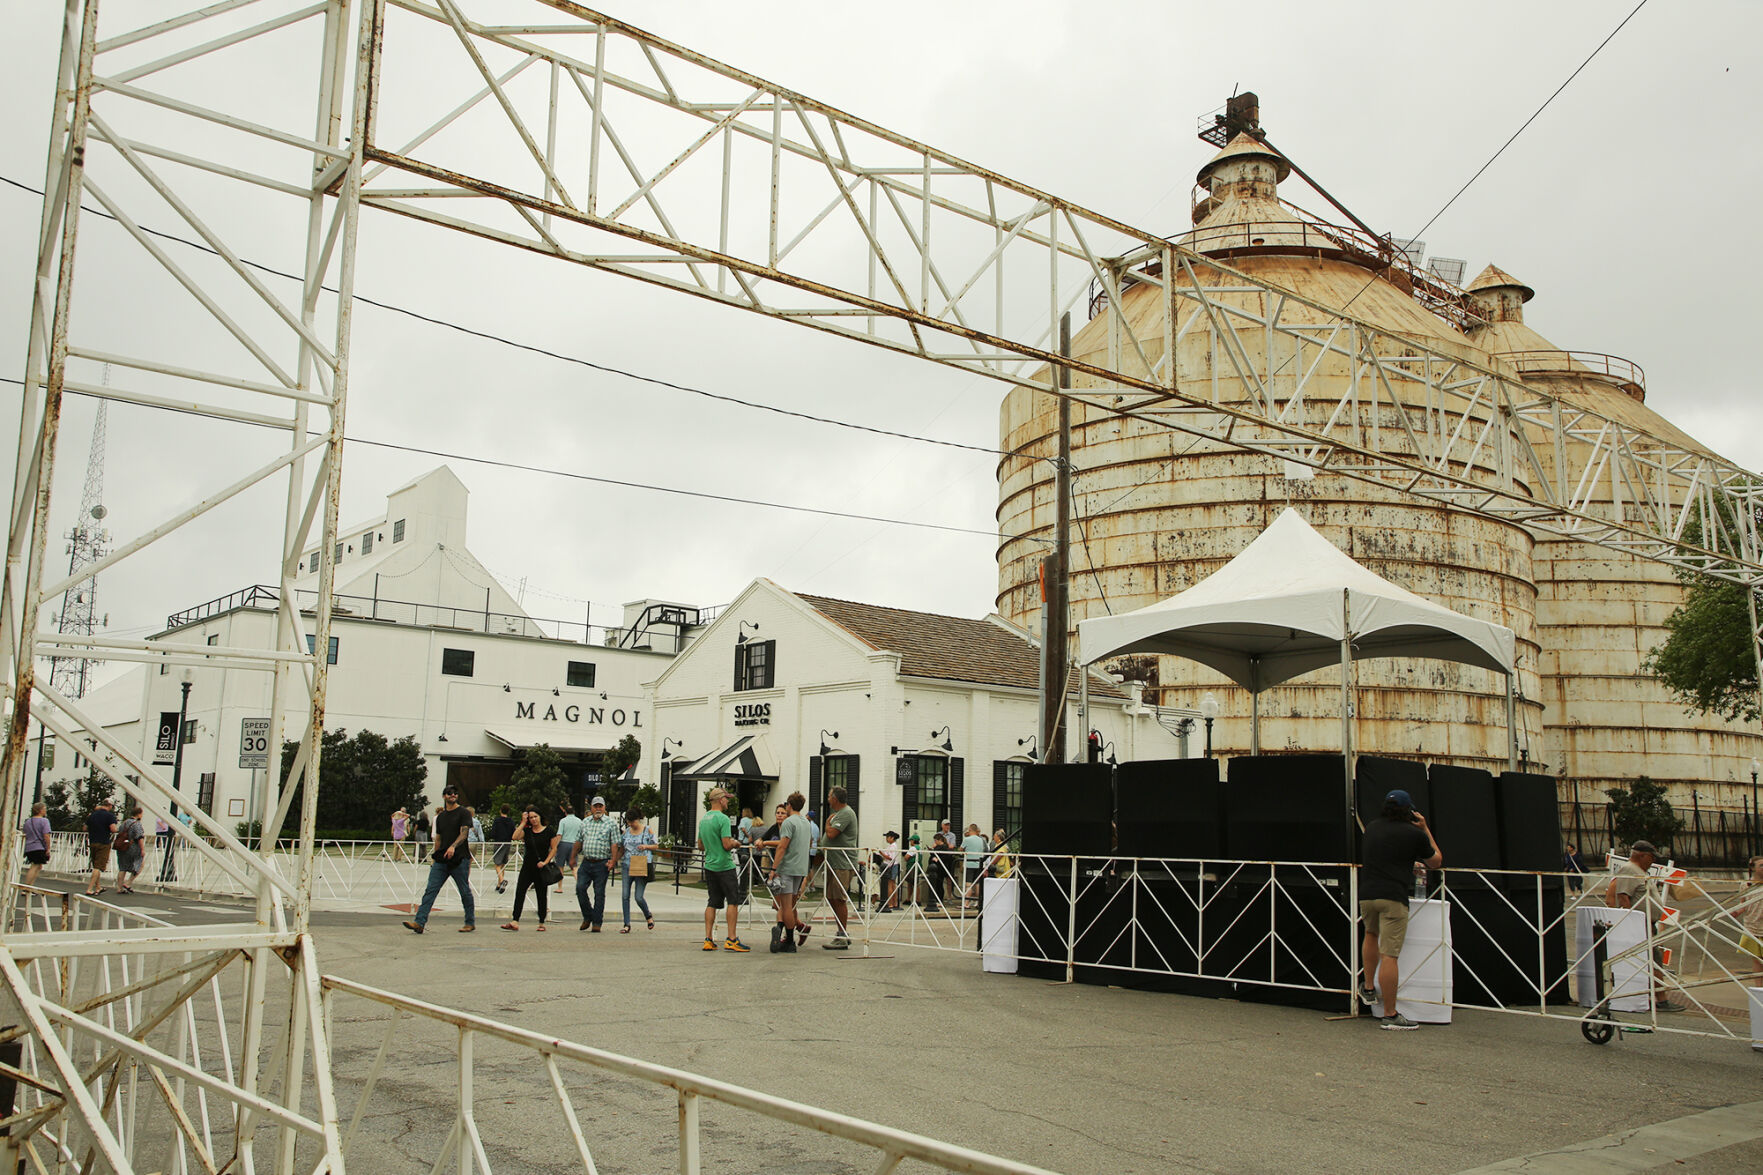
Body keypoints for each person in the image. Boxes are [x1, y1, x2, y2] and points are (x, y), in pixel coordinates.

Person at [1359, 788, 1443, 1031]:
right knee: (1390, 955)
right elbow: (1436, 860)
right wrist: (1424, 828)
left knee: (1370, 936)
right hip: (1393, 897)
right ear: (1410, 811)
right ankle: (1390, 1014)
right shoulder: (1412, 833)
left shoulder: (1372, 827)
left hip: (1367, 893)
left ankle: (1368, 989)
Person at [1605, 839, 1691, 1013]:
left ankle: (1655, 997)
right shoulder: (1630, 870)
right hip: (1640, 924)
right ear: (1642, 855)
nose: (1653, 861)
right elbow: (1624, 898)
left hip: (1646, 923)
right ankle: (1661, 999)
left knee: (1653, 960)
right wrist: (1631, 923)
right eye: (1651, 857)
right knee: (1654, 961)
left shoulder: (1640, 871)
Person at [403, 783, 477, 934]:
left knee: (464, 891)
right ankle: (419, 922)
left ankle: (470, 922)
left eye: (455, 792)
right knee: (431, 889)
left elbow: (464, 833)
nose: (453, 795)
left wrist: (453, 847)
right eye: (449, 793)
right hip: (442, 860)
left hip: (459, 858)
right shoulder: (441, 817)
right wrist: (435, 857)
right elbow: (438, 838)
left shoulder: (463, 813)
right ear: (444, 796)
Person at [698, 787, 750, 951]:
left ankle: (708, 938)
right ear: (720, 800)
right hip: (725, 866)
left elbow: (700, 846)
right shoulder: (723, 819)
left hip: (710, 865)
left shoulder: (703, 819)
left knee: (712, 901)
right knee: (733, 901)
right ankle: (732, 938)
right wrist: (735, 843)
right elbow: (727, 845)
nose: (727, 801)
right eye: (726, 798)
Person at [767, 791, 812, 952]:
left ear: (789, 805)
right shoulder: (806, 822)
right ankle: (789, 936)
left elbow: (782, 845)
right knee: (791, 903)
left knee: (785, 905)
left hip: (787, 867)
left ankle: (790, 940)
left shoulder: (788, 822)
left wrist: (774, 869)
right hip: (801, 867)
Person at [501, 807, 558, 931]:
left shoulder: (549, 831)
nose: (533, 820)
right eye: (531, 817)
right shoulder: (527, 831)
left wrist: (545, 862)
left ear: (540, 817)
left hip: (541, 866)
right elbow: (515, 837)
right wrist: (522, 822)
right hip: (527, 866)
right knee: (520, 892)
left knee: (541, 894)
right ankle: (515, 920)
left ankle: (542, 922)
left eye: (535, 817)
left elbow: (554, 848)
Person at [821, 786, 857, 949]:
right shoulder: (840, 814)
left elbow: (831, 834)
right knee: (831, 897)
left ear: (835, 798)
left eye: (829, 796)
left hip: (842, 864)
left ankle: (842, 935)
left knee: (839, 898)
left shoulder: (845, 813)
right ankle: (841, 932)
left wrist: (828, 823)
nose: (828, 798)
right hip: (833, 863)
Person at [611, 807, 658, 932]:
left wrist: (646, 846)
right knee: (625, 895)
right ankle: (626, 924)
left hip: (641, 865)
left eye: (633, 822)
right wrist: (614, 860)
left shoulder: (647, 830)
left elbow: (656, 845)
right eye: (629, 822)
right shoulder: (626, 832)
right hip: (627, 865)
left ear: (638, 819)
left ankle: (648, 915)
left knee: (638, 897)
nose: (631, 824)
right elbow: (621, 848)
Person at [574, 795, 616, 931]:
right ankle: (588, 916)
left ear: (604, 808)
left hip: (602, 862)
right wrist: (572, 856)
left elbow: (615, 843)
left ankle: (597, 922)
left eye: (600, 806)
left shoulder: (611, 823)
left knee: (599, 893)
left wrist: (613, 860)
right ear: (591, 808)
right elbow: (579, 840)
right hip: (586, 862)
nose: (598, 808)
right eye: (595, 806)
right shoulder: (585, 822)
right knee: (580, 888)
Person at [86, 798, 117, 895]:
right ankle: (90, 888)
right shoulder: (110, 816)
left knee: (95, 864)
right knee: (98, 867)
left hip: (92, 841)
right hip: (103, 842)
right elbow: (113, 829)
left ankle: (98, 887)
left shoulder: (92, 815)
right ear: (110, 806)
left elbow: (85, 827)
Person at [115, 806, 147, 894]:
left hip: (122, 847)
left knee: (122, 867)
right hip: (132, 847)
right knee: (140, 864)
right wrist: (142, 849)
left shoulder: (124, 823)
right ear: (139, 814)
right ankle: (128, 883)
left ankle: (119, 887)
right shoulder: (136, 824)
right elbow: (139, 837)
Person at [21, 802, 52, 887]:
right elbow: (46, 835)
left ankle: (30, 886)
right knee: (35, 866)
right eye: (44, 809)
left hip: (29, 846)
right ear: (40, 810)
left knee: (38, 866)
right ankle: (27, 887)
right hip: (39, 846)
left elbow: (25, 832)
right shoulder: (44, 821)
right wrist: (48, 848)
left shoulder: (28, 821)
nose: (45, 811)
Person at [557, 801, 582, 891]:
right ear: (574, 812)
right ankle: (580, 886)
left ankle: (560, 887)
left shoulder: (563, 821)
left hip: (564, 843)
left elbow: (559, 834)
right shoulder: (579, 821)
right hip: (575, 844)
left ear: (565, 812)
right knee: (574, 866)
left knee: (560, 866)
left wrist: (555, 846)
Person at [490, 805, 516, 893]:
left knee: (497, 863)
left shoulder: (497, 821)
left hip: (498, 842)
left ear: (500, 810)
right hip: (507, 843)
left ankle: (501, 881)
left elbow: (493, 832)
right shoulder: (511, 821)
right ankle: (498, 884)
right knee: (503, 863)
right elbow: (514, 832)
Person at [961, 824, 988, 905]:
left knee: (968, 884)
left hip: (969, 863)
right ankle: (978, 902)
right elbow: (985, 850)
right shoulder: (982, 840)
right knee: (977, 884)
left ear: (970, 830)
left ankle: (966, 903)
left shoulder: (967, 839)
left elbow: (961, 849)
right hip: (979, 864)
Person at [877, 830, 901, 910]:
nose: (886, 839)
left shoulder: (893, 846)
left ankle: (890, 903)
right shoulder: (891, 846)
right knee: (893, 884)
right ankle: (894, 902)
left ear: (892, 838)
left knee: (890, 884)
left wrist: (881, 853)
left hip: (891, 866)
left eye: (888, 837)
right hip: (893, 865)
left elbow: (890, 857)